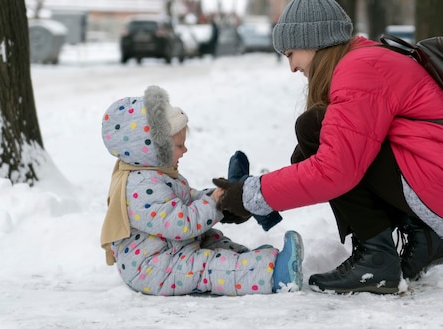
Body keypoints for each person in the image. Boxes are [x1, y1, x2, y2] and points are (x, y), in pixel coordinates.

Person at [214, 0, 443, 294]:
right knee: (317, 134)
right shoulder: (366, 59)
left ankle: (376, 260)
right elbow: (312, 160)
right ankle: (426, 237)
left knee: (316, 133)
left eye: (291, 54)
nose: (292, 67)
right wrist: (256, 199)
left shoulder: (359, 70)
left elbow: (333, 170)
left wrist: (250, 197)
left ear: (312, 43)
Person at [100, 85, 303, 296]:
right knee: (206, 267)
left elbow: (186, 199)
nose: (184, 150)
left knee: (215, 241)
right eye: (179, 146)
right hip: (153, 266)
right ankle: (274, 274)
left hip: (171, 248)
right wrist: (212, 203)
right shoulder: (140, 187)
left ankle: (248, 261)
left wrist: (217, 197)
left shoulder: (155, 174)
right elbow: (180, 222)